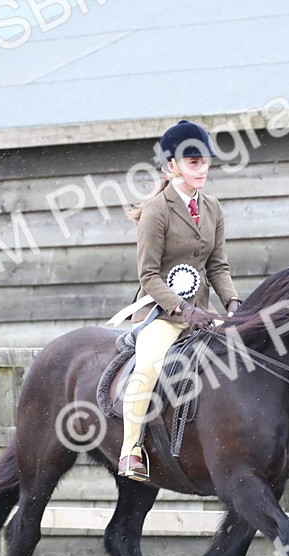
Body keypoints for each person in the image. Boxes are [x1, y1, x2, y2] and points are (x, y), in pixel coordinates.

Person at [117, 120, 243, 481]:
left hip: (202, 314)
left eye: (205, 161)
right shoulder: (157, 210)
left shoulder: (214, 208)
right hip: (160, 313)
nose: (201, 169)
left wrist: (233, 303)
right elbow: (148, 275)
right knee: (149, 368)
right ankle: (131, 450)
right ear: (171, 166)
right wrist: (182, 308)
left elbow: (217, 266)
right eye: (193, 162)